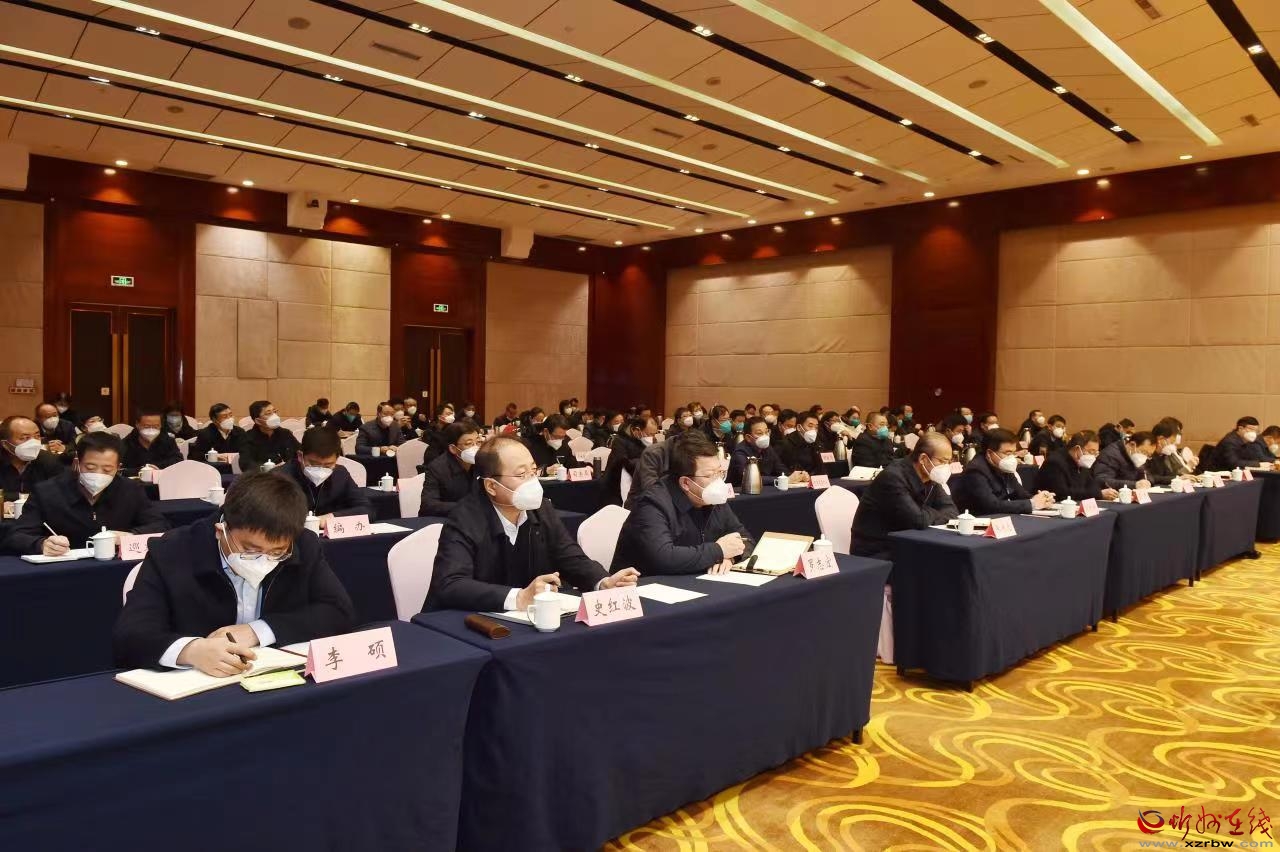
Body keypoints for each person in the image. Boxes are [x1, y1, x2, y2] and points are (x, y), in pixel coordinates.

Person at [112, 472, 355, 676]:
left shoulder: (303, 544)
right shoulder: (172, 551)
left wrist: (258, 631)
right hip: (199, 685)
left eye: (277, 552)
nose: (263, 560)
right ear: (221, 530)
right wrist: (191, 651)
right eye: (250, 550)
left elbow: (338, 610)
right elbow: (130, 636)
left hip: (271, 680)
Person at [425, 436, 639, 612]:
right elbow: (451, 584)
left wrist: (603, 582)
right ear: (491, 486)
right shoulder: (464, 518)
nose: (532, 482)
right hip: (467, 624)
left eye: (533, 471)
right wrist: (518, 597)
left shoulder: (541, 508)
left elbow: (569, 556)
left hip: (525, 620)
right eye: (521, 475)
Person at [612, 430, 755, 576]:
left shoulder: (713, 498)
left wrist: (730, 558)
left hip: (694, 579)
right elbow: (664, 558)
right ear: (686, 483)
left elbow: (746, 538)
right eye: (710, 475)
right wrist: (718, 551)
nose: (718, 481)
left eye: (720, 473)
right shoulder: (652, 504)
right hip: (642, 584)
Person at [3, 431, 169, 556]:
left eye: (107, 469)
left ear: (118, 468)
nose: (98, 474)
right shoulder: (47, 492)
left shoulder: (130, 490)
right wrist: (41, 544)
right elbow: (16, 535)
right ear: (77, 463)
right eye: (90, 467)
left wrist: (130, 536)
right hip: (62, 569)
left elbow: (160, 525)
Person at [851, 433, 959, 560]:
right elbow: (918, 520)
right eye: (942, 461)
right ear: (923, 459)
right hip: (876, 551)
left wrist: (926, 513)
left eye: (948, 462)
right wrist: (931, 513)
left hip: (907, 544)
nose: (945, 467)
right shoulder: (893, 477)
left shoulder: (931, 477)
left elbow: (952, 511)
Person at [278, 427, 371, 526]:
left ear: (337, 459)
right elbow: (272, 518)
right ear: (300, 456)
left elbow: (367, 510)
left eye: (328, 465)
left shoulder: (340, 474)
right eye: (314, 464)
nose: (321, 470)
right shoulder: (279, 478)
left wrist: (331, 517)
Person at [953, 428, 1054, 516]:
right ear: (989, 453)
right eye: (1007, 453)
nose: (1011, 458)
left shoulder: (1003, 466)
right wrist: (1032, 503)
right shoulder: (975, 471)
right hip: (978, 520)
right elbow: (992, 505)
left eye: (1014, 453)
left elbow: (1020, 493)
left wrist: (1040, 498)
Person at [0, 416, 74, 503]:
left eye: (37, 436)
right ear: (5, 444)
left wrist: (20, 497)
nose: (33, 443)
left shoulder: (50, 460)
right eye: (24, 438)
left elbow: (61, 493)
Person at [1032, 430, 1117, 502]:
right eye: (1091, 452)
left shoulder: (1082, 462)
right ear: (1077, 449)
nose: (1093, 456)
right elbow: (1063, 494)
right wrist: (1098, 494)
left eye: (1096, 453)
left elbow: (1091, 486)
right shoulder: (1055, 462)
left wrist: (1103, 492)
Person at [419, 421, 482, 517]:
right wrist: (465, 507)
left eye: (478, 442)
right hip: (446, 519)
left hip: (476, 518)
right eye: (469, 443)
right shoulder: (437, 468)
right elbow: (428, 505)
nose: (475, 447)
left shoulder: (483, 462)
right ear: (453, 448)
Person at [728, 416, 808, 488]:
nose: (765, 436)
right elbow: (750, 478)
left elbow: (780, 468)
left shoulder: (767, 448)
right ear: (748, 437)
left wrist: (798, 476)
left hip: (764, 489)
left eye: (766, 432)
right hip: (740, 491)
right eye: (759, 433)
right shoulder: (740, 452)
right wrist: (782, 480)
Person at [601, 415, 658, 506]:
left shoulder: (651, 440)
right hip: (616, 485)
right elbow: (622, 462)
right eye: (649, 434)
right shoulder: (619, 440)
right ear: (637, 430)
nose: (652, 438)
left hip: (640, 483)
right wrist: (645, 463)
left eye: (654, 434)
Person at [238, 400, 300, 472]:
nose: (274, 416)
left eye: (274, 412)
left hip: (288, 474)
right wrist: (266, 468)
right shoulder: (247, 438)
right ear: (258, 421)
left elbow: (299, 452)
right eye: (268, 413)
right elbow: (245, 464)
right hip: (264, 476)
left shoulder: (285, 433)